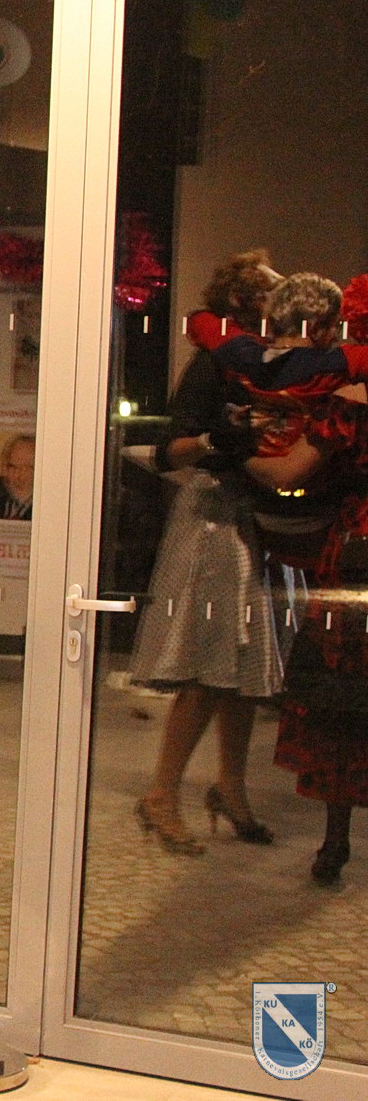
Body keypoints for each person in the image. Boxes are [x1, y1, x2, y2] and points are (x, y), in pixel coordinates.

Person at [127, 251, 290, 854]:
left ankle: (230, 788)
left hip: (246, 516)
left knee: (240, 669)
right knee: (205, 666)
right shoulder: (213, 362)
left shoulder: (264, 363)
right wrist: (217, 438)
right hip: (212, 520)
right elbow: (170, 449)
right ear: (244, 302)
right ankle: (161, 795)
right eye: (271, 295)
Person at [233, 273, 368, 886]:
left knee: (344, 699)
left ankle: (335, 842)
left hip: (358, 552)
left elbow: (290, 471)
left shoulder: (352, 400)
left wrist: (231, 452)